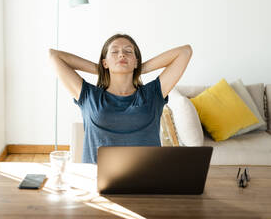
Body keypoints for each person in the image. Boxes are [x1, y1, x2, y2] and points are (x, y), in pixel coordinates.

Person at [49, 33, 192, 163]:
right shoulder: (89, 95)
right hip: (96, 182)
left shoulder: (153, 94)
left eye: (128, 51)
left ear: (136, 61)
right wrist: (100, 68)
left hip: (147, 180)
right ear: (104, 62)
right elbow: (54, 56)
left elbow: (185, 52)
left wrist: (139, 68)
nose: (122, 55)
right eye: (115, 52)